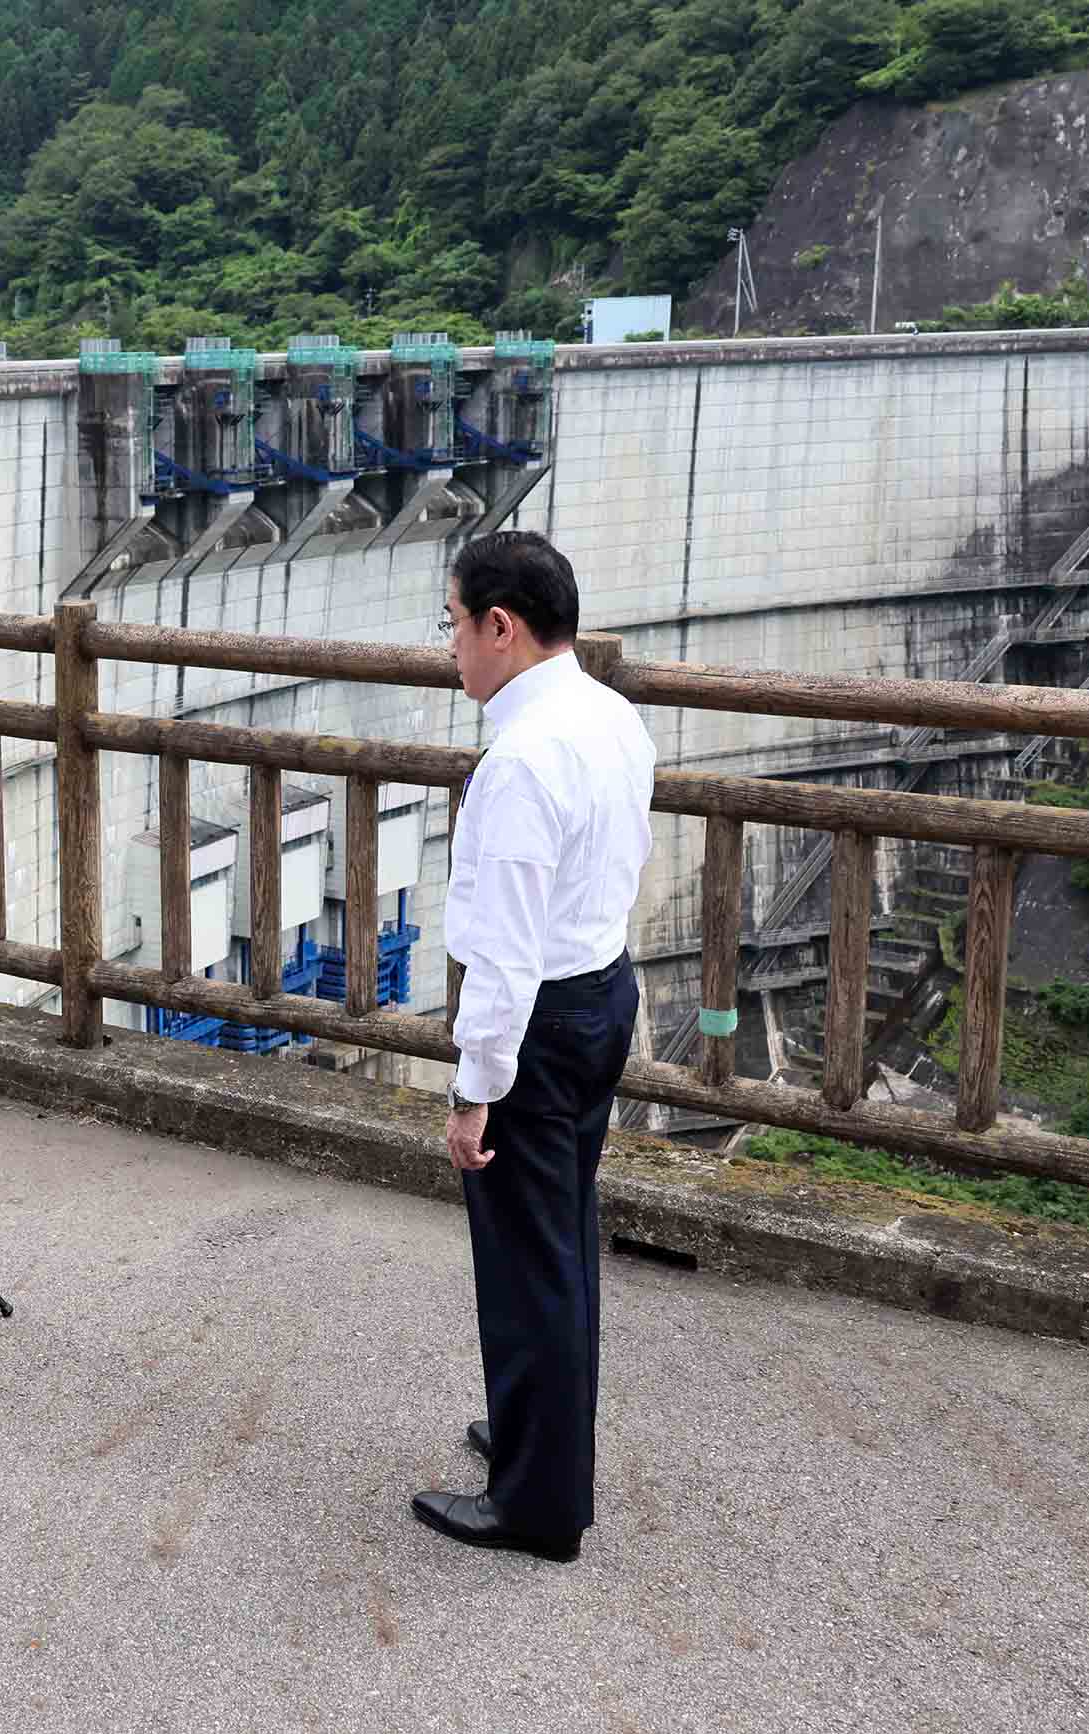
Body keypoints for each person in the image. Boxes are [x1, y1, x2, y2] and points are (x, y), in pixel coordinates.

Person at [413, 531, 655, 1564]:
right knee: (561, 1246)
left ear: (500, 626)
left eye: (454, 624)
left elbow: (505, 954)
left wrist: (474, 1091)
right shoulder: (608, 714)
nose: (451, 646)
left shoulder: (520, 760)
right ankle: (537, 1434)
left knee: (528, 1267)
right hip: (601, 991)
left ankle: (537, 1505)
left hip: (539, 1020)